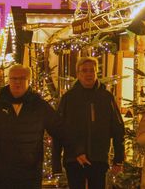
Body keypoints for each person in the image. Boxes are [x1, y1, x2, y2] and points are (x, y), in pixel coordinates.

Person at [0, 64, 66, 189]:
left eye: (22, 79)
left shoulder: (39, 106)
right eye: (14, 78)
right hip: (0, 174)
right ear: (9, 80)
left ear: (29, 80)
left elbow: (59, 130)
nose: (17, 82)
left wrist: (76, 151)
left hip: (29, 174)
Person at [52, 57, 124, 189]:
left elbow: (117, 128)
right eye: (84, 71)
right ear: (78, 74)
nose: (88, 74)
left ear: (97, 73)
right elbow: (59, 130)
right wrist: (57, 162)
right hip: (74, 160)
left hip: (98, 159)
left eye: (92, 70)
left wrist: (118, 159)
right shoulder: (69, 98)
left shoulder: (106, 97)